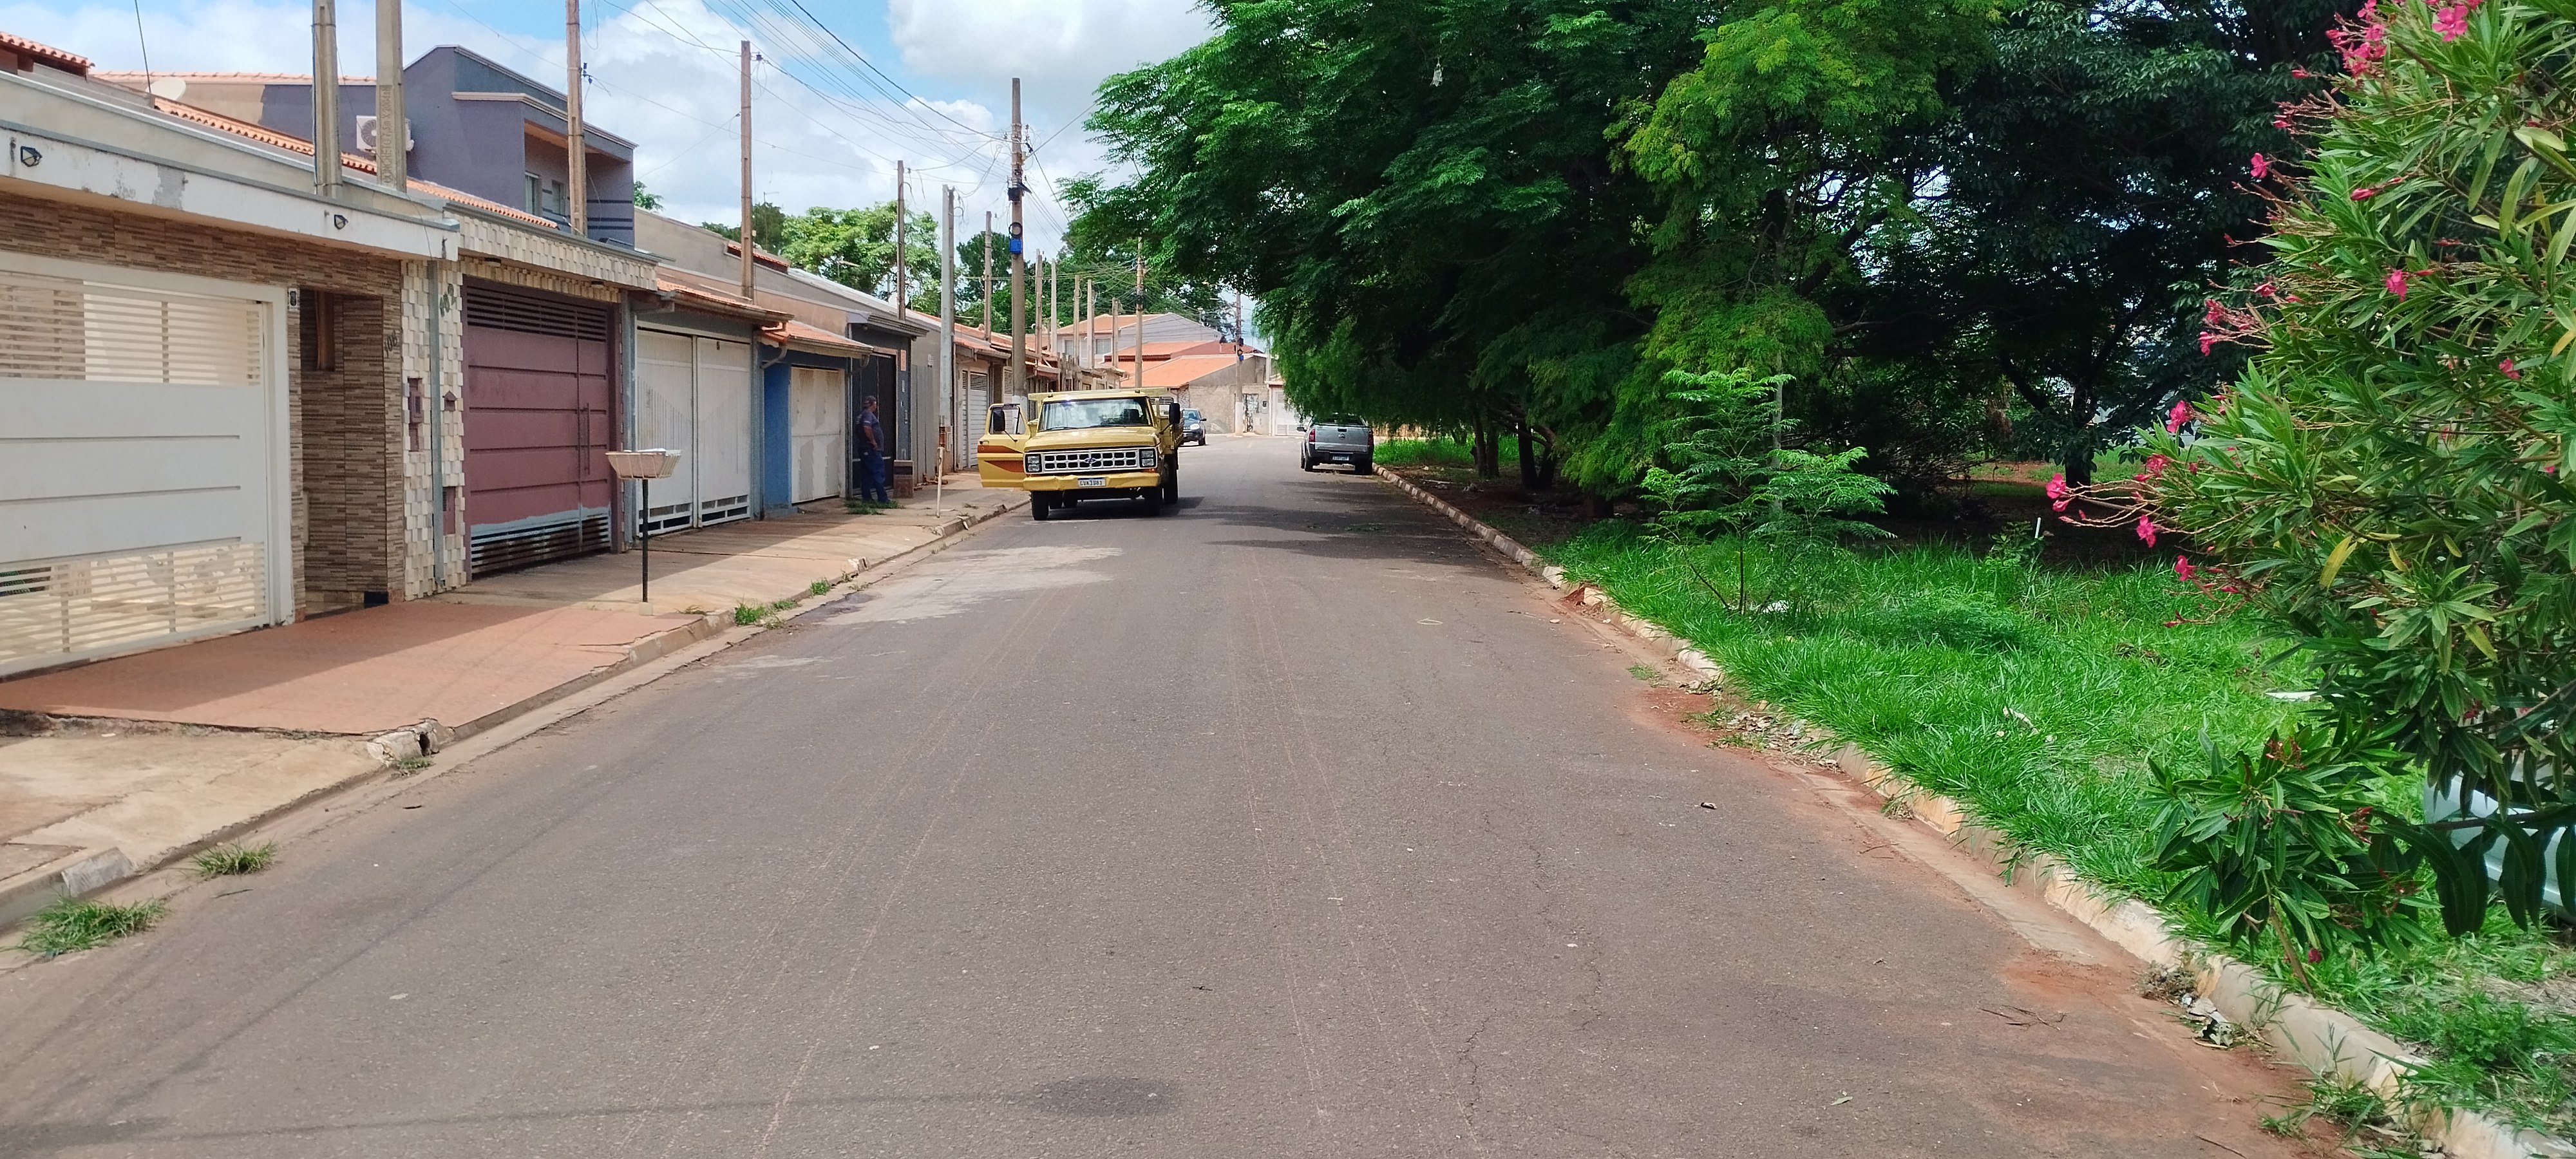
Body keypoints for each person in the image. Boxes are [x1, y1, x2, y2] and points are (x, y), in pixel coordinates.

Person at [857, 395, 891, 505]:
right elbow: (867, 428)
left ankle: (867, 498)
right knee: (878, 472)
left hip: (864, 448)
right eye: (875, 404)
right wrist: (873, 441)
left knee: (866, 474)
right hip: (871, 449)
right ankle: (883, 498)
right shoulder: (867, 415)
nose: (876, 406)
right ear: (873, 404)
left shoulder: (861, 415)